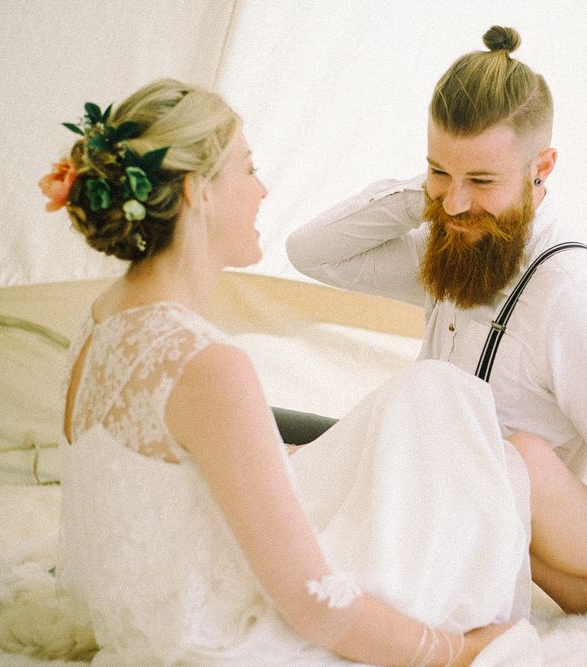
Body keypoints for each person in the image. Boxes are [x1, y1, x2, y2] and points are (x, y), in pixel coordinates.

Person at [41, 78, 549, 665]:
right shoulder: (205, 364)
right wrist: (450, 650)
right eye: (248, 168)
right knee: (453, 419)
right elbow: (312, 605)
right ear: (197, 192)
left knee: (432, 397)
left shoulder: (103, 319)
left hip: (154, 617)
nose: (262, 189)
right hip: (225, 642)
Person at [286, 25, 587, 617]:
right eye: (440, 172)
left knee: (516, 454)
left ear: (542, 167)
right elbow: (311, 252)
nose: (455, 204)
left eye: (481, 180)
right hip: (446, 502)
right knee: (272, 443)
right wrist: (427, 191)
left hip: (542, 512)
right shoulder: (454, 239)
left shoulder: (580, 300)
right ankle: (571, 588)